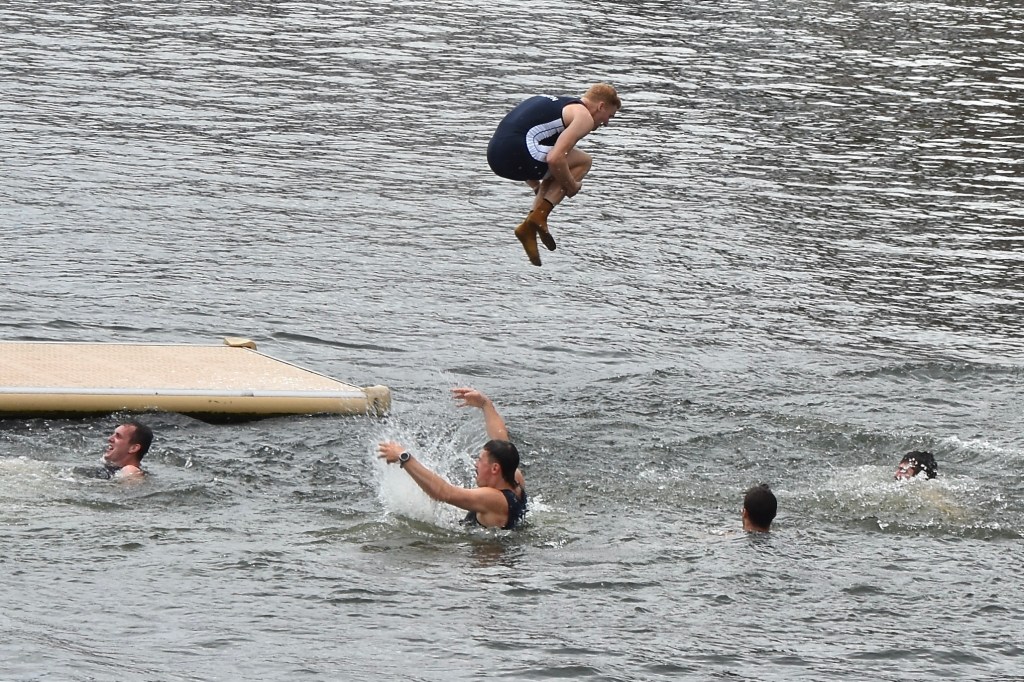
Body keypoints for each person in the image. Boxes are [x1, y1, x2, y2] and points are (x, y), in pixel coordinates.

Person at [487, 83, 622, 266]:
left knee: (555, 171)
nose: (606, 123)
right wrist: (572, 186)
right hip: (519, 153)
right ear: (601, 106)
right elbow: (555, 158)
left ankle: (529, 227)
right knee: (583, 161)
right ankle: (539, 217)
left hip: (496, 156)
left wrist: (536, 185)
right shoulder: (583, 116)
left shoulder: (555, 104)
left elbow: (517, 134)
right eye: (609, 116)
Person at [377, 387, 527, 529]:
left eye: (480, 460)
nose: (476, 464)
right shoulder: (514, 478)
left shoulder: (493, 499)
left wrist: (404, 458)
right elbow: (501, 439)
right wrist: (485, 404)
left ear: (495, 468)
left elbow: (444, 493)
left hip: (482, 547)